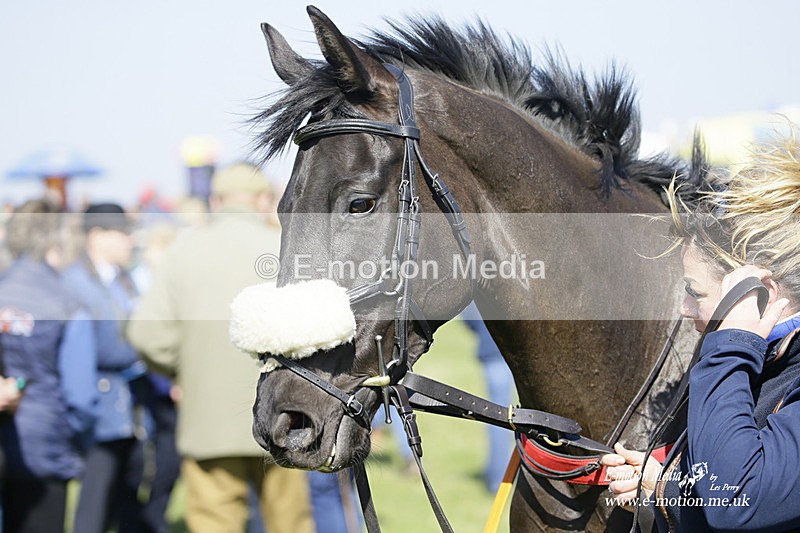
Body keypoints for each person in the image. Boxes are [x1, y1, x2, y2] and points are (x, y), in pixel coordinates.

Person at [602, 130, 800, 531]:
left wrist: (729, 346)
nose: (684, 307)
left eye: (695, 292)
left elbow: (736, 499)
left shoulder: (739, 356)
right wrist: (667, 486)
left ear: (758, 296)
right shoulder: (771, 360)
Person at [128, 162, 315, 533]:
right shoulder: (287, 247)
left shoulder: (183, 249)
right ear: (264, 200)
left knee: (214, 524)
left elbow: (146, 334)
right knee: (290, 525)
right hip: (283, 416)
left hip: (206, 419)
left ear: (216, 201)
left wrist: (182, 369)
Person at [0, 199, 98, 533]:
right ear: (58, 241)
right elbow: (81, 397)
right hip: (44, 451)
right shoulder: (68, 305)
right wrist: (74, 440)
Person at [64, 203, 150, 533]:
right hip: (98, 410)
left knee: (125, 501)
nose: (130, 241)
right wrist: (143, 348)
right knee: (94, 505)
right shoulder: (76, 282)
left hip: (125, 408)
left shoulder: (121, 279)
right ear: (97, 236)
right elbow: (106, 345)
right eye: (122, 233)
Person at [460, 302, 515, 493]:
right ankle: (501, 480)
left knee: (499, 421)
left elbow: (468, 318)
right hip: (512, 355)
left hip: (495, 357)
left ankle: (497, 481)